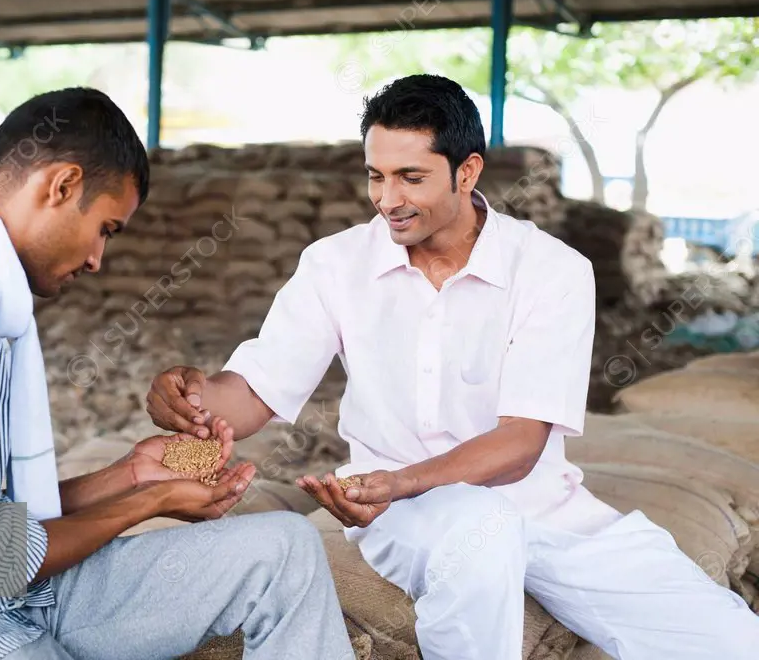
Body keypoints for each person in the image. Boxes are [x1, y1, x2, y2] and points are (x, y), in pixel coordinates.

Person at [146, 74, 759, 660]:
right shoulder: (336, 265)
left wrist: (398, 479)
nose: (389, 200)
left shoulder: (551, 269)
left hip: (545, 507)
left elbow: (520, 444)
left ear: (467, 172)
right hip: (407, 517)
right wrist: (191, 399)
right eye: (376, 176)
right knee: (484, 533)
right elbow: (252, 394)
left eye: (411, 177)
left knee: (728, 638)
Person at [0, 88, 353, 660]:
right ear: (62, 186)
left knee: (286, 551)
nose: (99, 260)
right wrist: (145, 504)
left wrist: (132, 475)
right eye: (106, 229)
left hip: (12, 597)